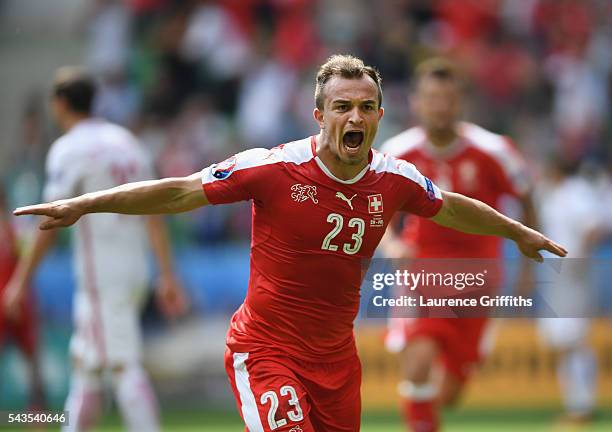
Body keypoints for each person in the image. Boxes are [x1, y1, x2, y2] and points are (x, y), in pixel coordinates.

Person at [8, 55, 566, 432]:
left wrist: (515, 231)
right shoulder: (272, 167)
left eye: (365, 107)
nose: (354, 116)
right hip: (266, 350)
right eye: (343, 106)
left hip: (338, 362)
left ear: (378, 116)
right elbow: (178, 192)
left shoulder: (395, 176)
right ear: (319, 115)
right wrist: (84, 203)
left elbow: (449, 205)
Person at [3, 67, 187, 432]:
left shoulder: (68, 149)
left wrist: (20, 281)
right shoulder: (127, 143)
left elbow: (50, 222)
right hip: (133, 269)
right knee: (86, 367)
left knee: (123, 366)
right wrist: (166, 274)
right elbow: (156, 212)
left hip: (101, 276)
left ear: (59, 104)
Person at [379, 57, 537, 432]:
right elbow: (377, 208)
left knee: (449, 392)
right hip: (423, 271)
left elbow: (529, 201)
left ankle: (441, 397)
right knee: (416, 365)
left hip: (479, 278)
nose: (440, 106)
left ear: (460, 102)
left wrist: (528, 265)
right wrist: (392, 244)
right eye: (431, 98)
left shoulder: (494, 150)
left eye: (447, 98)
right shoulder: (398, 152)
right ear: (416, 102)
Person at [536, 157, 603, 424]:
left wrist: (581, 260)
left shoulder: (576, 192)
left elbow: (593, 228)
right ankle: (577, 404)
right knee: (564, 341)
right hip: (556, 275)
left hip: (572, 274)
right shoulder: (552, 195)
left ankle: (581, 405)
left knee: (572, 339)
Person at [0, 185, 46, 410]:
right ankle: (38, 419)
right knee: (32, 365)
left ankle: (37, 419)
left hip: (18, 300)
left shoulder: (15, 227)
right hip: (18, 300)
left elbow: (28, 257)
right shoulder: (15, 227)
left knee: (32, 364)